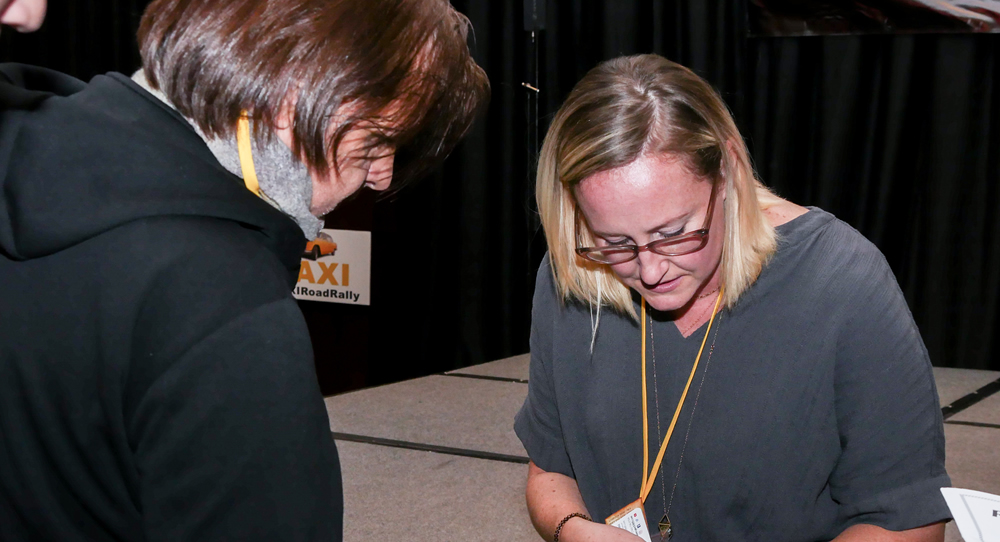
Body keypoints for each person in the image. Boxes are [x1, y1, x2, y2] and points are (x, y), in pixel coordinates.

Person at [0, 0, 488, 540]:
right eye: (376, 141)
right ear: (295, 95)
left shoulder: (21, 144)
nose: (380, 177)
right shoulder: (230, 311)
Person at [515, 54, 950, 542]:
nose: (650, 269)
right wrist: (573, 530)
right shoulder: (574, 272)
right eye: (616, 241)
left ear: (727, 172)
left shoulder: (843, 282)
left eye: (673, 232)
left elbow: (908, 521)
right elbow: (549, 470)